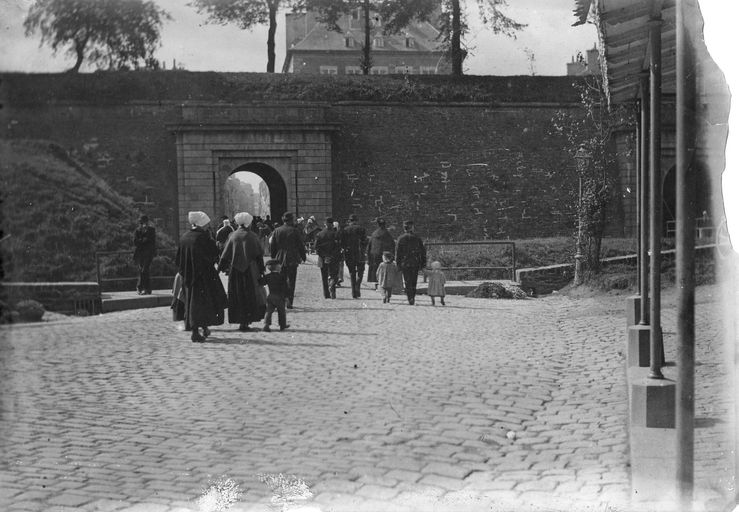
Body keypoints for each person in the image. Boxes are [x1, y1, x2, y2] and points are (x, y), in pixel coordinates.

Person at [176, 211, 227, 342]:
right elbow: (213, 254)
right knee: (203, 303)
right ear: (202, 224)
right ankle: (196, 332)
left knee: (193, 302)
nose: (208, 227)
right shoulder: (203, 238)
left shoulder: (184, 237)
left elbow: (178, 260)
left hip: (188, 276)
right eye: (207, 224)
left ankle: (202, 328)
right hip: (203, 276)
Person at [219, 212, 267, 332]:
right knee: (249, 295)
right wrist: (261, 270)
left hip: (235, 271)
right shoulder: (252, 236)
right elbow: (258, 255)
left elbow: (225, 255)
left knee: (237, 295)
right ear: (248, 223)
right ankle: (246, 321)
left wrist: (219, 268)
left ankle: (240, 320)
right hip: (250, 271)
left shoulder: (232, 235)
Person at [269, 212, 307, 309]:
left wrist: (274, 257)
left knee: (281, 280)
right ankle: (289, 300)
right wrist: (303, 257)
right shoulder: (295, 231)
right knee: (291, 280)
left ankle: (282, 299)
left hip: (280, 258)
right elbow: (300, 245)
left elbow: (272, 246)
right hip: (292, 258)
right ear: (291, 220)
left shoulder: (276, 231)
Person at [395, 220, 427, 305]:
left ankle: (410, 297)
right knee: (414, 281)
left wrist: (398, 264)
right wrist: (423, 264)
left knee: (407, 281)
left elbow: (398, 253)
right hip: (415, 262)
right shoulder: (417, 238)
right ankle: (412, 296)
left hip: (405, 263)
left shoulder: (400, 238)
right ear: (412, 227)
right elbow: (423, 252)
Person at [341, 213, 368, 298]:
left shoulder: (345, 230)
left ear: (350, 221)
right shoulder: (361, 229)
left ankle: (354, 292)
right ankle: (357, 287)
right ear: (356, 221)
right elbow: (365, 241)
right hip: (360, 254)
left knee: (352, 273)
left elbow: (343, 243)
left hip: (349, 254)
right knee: (360, 272)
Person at [314, 217, 342, 299]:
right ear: (332, 224)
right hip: (334, 257)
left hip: (323, 258)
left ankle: (326, 294)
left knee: (324, 276)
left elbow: (316, 247)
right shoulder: (336, 234)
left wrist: (324, 255)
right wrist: (332, 255)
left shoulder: (320, 234)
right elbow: (339, 247)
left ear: (325, 224)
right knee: (333, 274)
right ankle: (332, 284)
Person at [366, 218, 395, 290]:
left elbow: (369, 245)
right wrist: (392, 256)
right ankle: (382, 285)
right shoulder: (387, 234)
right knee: (383, 270)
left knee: (376, 270)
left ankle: (376, 284)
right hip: (384, 255)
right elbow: (392, 245)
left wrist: (368, 257)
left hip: (374, 255)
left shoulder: (374, 233)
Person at [260, 259, 289, 332]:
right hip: (280, 297)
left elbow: (262, 282)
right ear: (277, 267)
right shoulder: (282, 276)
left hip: (271, 296)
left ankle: (266, 325)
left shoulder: (268, 276)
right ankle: (282, 325)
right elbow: (285, 287)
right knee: (281, 312)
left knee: (268, 311)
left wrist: (263, 275)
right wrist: (286, 297)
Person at [132, 215, 156, 295]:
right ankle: (147, 289)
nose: (143, 224)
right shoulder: (138, 231)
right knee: (144, 271)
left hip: (149, 253)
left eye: (145, 222)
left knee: (144, 270)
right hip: (140, 253)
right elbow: (135, 242)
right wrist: (143, 240)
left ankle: (140, 287)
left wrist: (142, 241)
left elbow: (152, 241)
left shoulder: (151, 230)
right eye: (142, 222)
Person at [333, 220, 345, 287]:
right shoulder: (341, 233)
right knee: (340, 265)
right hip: (339, 252)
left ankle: (335, 279)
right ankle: (339, 278)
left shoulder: (331, 233)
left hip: (333, 253)